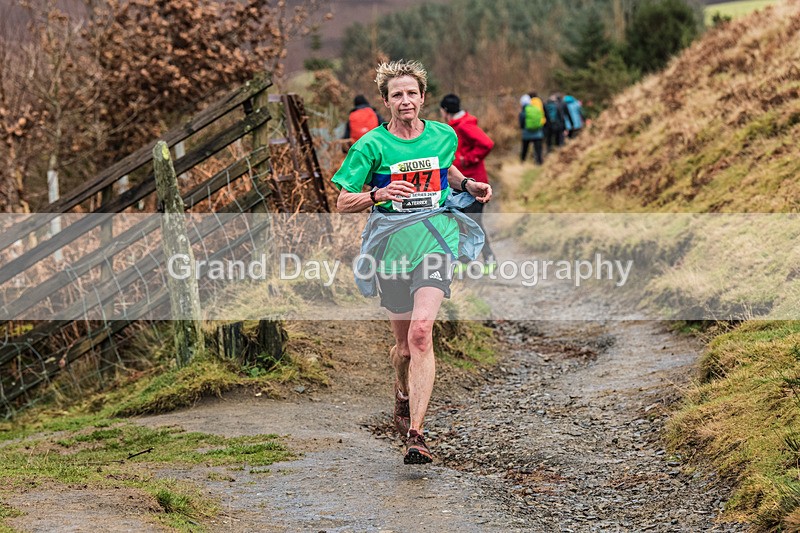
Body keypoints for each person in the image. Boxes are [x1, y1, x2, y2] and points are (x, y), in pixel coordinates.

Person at [332, 60, 492, 465]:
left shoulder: (443, 134)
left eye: (411, 93)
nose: (405, 100)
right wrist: (378, 195)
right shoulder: (371, 145)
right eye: (397, 94)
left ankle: (417, 435)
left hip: (436, 240)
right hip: (392, 249)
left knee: (422, 334)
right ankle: (401, 390)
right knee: (403, 348)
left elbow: (445, 169)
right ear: (386, 101)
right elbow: (342, 201)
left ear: (423, 98)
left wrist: (468, 184)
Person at [439, 93, 496, 266]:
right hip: (461, 184)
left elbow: (487, 143)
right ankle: (464, 262)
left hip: (474, 184)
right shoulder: (455, 125)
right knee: (461, 223)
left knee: (473, 223)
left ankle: (490, 260)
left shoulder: (464, 125)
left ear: (445, 110)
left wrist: (467, 159)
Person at [519, 93, 545, 165]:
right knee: (538, 150)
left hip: (526, 134)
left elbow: (521, 124)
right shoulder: (536, 109)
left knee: (525, 149)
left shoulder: (523, 112)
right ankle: (539, 162)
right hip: (538, 133)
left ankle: (522, 162)